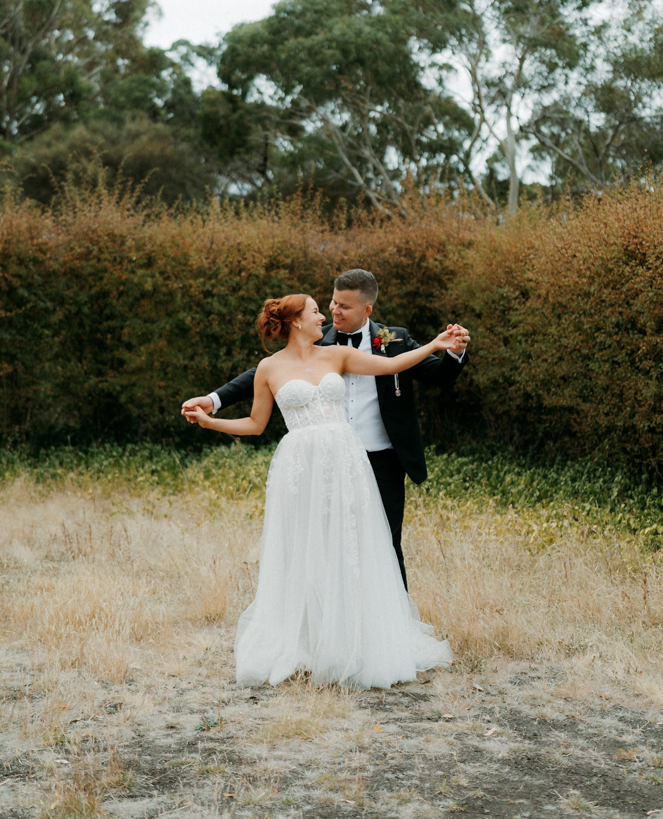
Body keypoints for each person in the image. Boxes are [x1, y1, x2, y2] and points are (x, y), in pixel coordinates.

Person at [186, 293, 462, 690]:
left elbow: (391, 364)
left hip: (345, 461)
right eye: (317, 311)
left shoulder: (335, 356)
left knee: (352, 543)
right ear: (296, 321)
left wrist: (436, 345)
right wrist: (212, 422)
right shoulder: (269, 368)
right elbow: (255, 424)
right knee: (306, 545)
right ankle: (310, 641)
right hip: (300, 466)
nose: (325, 317)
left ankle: (358, 640)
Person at [182, 269, 470, 588]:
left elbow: (429, 373)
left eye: (343, 306)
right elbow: (261, 374)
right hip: (324, 460)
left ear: (366, 310)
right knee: (325, 543)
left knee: (385, 543)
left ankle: (391, 622)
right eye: (331, 303)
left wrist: (450, 350)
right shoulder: (319, 341)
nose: (333, 311)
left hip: (383, 459)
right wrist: (213, 400)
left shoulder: (394, 339)